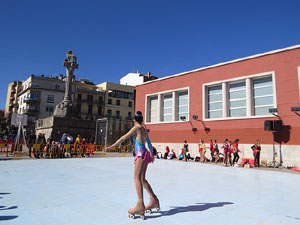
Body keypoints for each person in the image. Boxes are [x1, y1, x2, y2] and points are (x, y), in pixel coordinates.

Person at [105, 111, 159, 219]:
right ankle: (154, 199)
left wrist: (112, 146)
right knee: (142, 179)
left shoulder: (137, 128)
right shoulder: (143, 129)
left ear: (134, 120)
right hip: (146, 154)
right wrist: (152, 154)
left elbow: (123, 137)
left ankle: (140, 205)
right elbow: (148, 141)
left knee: (136, 178)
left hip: (140, 153)